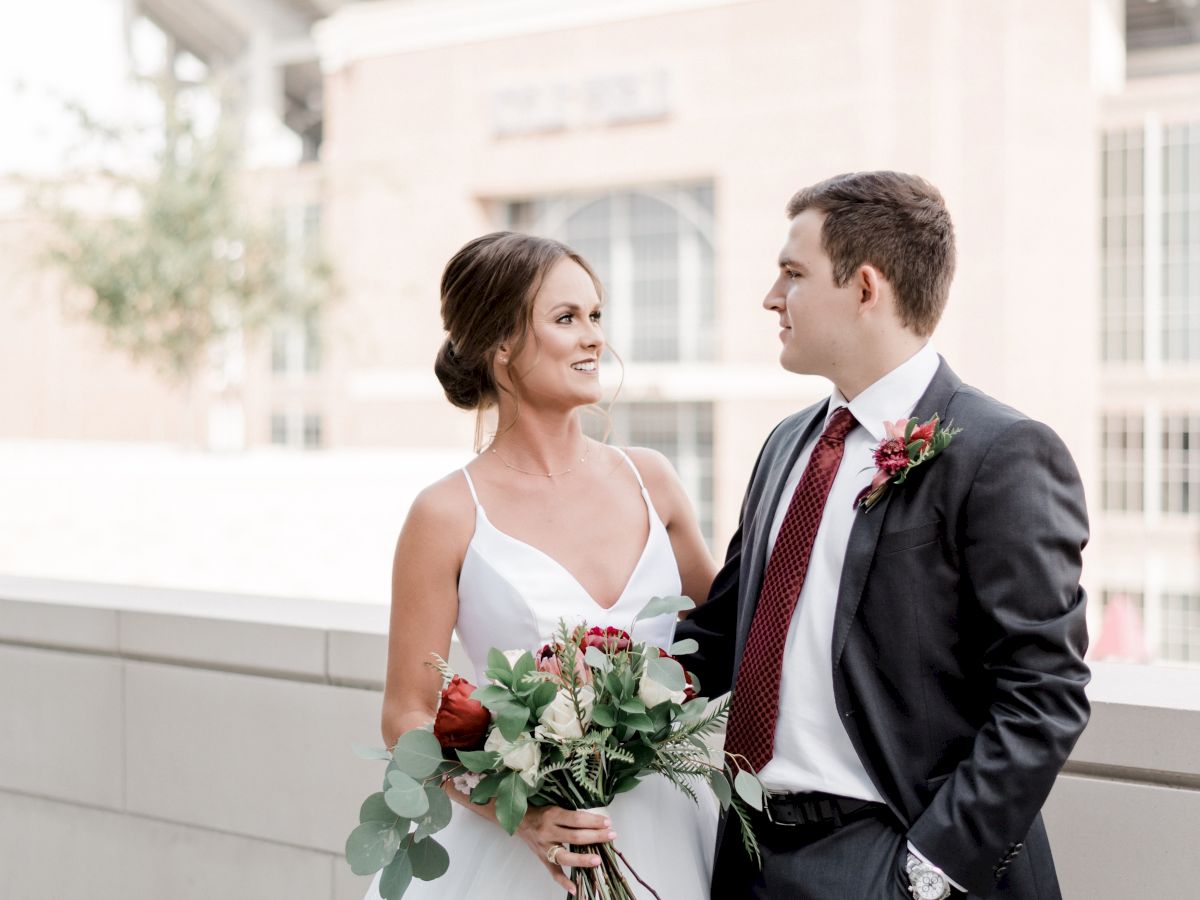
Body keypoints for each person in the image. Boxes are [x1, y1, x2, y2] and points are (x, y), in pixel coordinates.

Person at [677, 171, 1090, 900]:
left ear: (866, 288)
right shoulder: (784, 445)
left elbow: (1043, 691)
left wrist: (928, 870)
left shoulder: (1000, 452)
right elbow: (717, 638)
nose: (771, 299)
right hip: (748, 852)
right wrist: (577, 705)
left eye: (792, 275)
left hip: (891, 850)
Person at [366, 231, 719, 899]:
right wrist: (517, 809)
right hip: (519, 860)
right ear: (500, 346)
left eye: (595, 316)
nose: (593, 339)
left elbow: (733, 639)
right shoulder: (446, 514)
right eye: (566, 319)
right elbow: (405, 714)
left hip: (670, 834)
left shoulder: (654, 481)